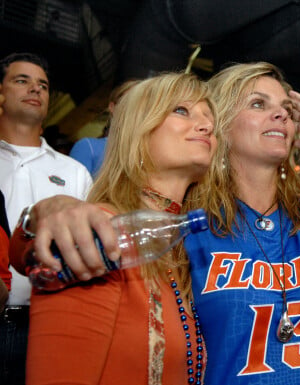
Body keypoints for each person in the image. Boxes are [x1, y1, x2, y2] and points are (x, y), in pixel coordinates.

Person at [14, 62, 300, 385]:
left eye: (285, 108)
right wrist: (46, 211)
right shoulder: (189, 221)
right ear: (219, 126)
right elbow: (88, 238)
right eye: (259, 104)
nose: (281, 115)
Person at [11, 72, 216, 384]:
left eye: (209, 117)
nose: (207, 126)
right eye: (182, 110)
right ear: (138, 129)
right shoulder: (95, 234)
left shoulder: (190, 244)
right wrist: (44, 211)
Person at [0, 52, 93, 385]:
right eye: (22, 80)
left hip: (46, 322)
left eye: (43, 85)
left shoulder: (74, 171)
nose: (35, 89)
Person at [69, 79, 140, 177]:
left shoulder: (149, 156)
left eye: (141, 104)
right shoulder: (88, 147)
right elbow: (73, 190)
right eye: (129, 101)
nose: (135, 109)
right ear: (112, 107)